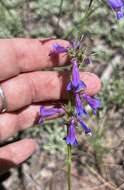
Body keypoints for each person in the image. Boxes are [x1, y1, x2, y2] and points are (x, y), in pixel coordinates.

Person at [0, 38, 101, 174]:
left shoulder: (77, 89)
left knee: (78, 99)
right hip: (74, 94)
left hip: (76, 96)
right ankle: (71, 134)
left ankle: (72, 133)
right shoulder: (72, 67)